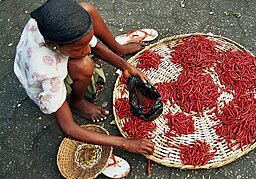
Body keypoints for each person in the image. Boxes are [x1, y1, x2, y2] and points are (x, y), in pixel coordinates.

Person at [13, 0, 154, 155]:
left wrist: (125, 66)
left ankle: (117, 49)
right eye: (79, 48)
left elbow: (89, 45)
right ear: (52, 44)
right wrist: (125, 143)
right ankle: (77, 102)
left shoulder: (50, 24)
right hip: (40, 80)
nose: (88, 50)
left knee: (86, 9)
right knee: (84, 64)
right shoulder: (47, 73)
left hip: (56, 55)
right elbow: (68, 128)